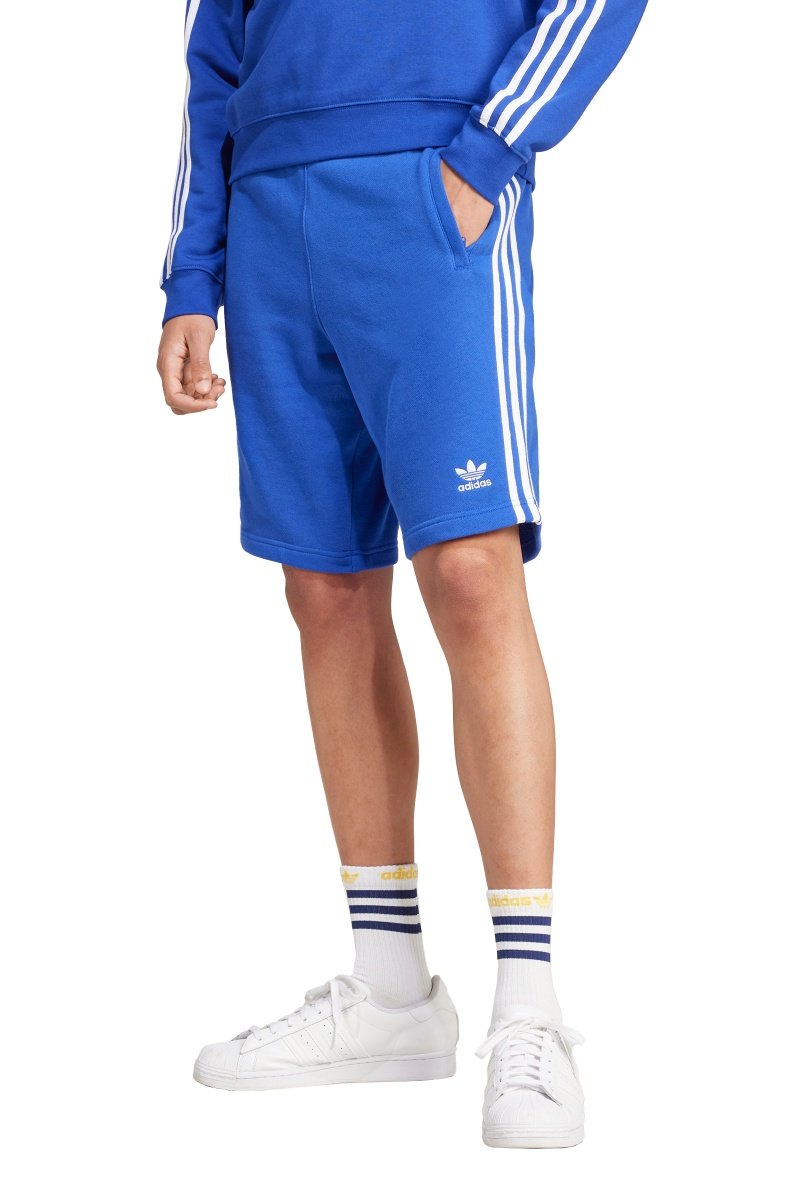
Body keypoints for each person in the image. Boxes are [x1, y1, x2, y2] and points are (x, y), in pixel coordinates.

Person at [156, 0, 647, 1149]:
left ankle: (527, 1004)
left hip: (434, 181)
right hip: (271, 205)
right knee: (323, 588)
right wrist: (192, 273)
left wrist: (489, 146)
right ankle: (389, 992)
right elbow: (211, 47)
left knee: (470, 568)